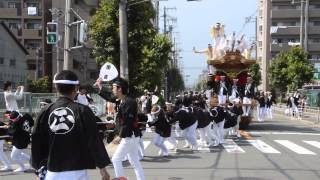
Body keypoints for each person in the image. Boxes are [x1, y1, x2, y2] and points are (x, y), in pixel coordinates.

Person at [31, 70, 111, 180]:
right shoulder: (82, 110)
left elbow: (36, 140)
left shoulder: (45, 111)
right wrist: (102, 168)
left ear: (56, 87)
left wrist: (38, 168)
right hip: (77, 171)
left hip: (52, 171)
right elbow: (94, 140)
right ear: (76, 88)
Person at [95, 77, 145, 180]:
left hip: (129, 136)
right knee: (134, 161)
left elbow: (128, 122)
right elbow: (109, 97)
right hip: (131, 136)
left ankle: (120, 178)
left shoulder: (129, 102)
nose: (112, 90)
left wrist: (120, 136)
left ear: (120, 89)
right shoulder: (121, 100)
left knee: (116, 159)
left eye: (113, 87)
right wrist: (100, 86)